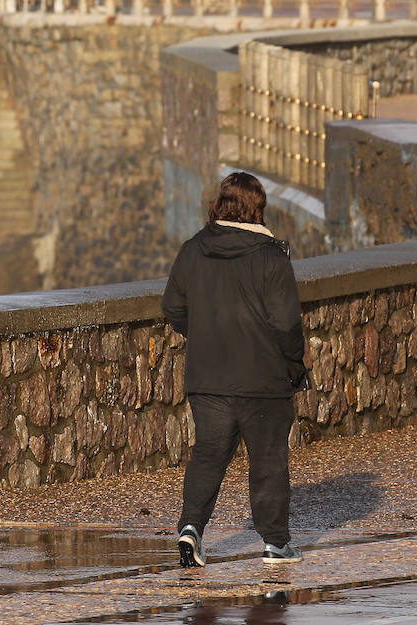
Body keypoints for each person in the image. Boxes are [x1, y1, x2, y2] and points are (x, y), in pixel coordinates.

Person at [161, 171, 308, 567]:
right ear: (257, 209)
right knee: (268, 460)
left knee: (208, 454)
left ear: (220, 205)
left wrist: (206, 336)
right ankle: (275, 543)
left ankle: (191, 529)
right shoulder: (271, 257)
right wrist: (295, 366)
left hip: (208, 380)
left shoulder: (193, 250)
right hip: (264, 380)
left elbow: (173, 308)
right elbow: (286, 324)